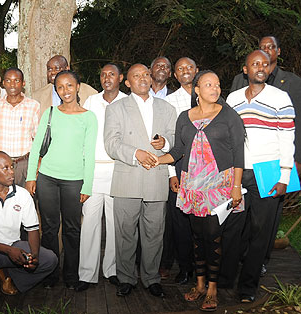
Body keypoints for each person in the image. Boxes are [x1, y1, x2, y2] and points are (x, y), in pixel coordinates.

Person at [150, 70, 245, 311]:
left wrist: (236, 186)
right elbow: (180, 149)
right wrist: (157, 160)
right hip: (192, 185)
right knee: (196, 236)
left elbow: (238, 154)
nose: (215, 89)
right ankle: (200, 284)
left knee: (213, 236)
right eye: (209, 84)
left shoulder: (229, 116)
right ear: (198, 90)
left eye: (218, 84)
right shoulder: (185, 117)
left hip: (219, 185)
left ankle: (213, 288)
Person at [226, 50, 295, 303]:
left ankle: (247, 287)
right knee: (235, 228)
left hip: (269, 171)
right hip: (239, 171)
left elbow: (288, 138)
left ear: (270, 69)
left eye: (265, 64)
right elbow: (227, 135)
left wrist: (285, 176)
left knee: (260, 232)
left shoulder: (280, 98)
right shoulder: (233, 99)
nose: (260, 67)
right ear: (245, 69)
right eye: (255, 63)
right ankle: (227, 277)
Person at [103, 63, 177, 298]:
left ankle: (152, 278)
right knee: (125, 233)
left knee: (155, 233)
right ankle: (125, 278)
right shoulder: (116, 108)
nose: (143, 78)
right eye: (137, 75)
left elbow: (174, 139)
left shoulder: (167, 108)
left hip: (156, 176)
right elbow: (111, 143)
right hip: (128, 177)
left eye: (146, 74)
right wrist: (137, 154)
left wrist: (164, 143)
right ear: (128, 82)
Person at [26, 70, 97, 289]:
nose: (65, 90)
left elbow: (90, 154)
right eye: (60, 87)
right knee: (48, 228)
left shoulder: (89, 117)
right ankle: (50, 274)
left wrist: (87, 184)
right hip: (47, 177)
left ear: (78, 87)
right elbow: (37, 147)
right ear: (56, 90)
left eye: (69, 86)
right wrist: (31, 177)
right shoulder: (49, 113)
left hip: (74, 181)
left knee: (72, 228)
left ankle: (71, 275)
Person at [0, 151, 58, 308]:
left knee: (50, 259)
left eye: (12, 167)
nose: (11, 172)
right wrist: (8, 251)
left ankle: (10, 279)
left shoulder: (22, 194)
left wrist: (34, 257)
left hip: (13, 247)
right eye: (5, 168)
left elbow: (33, 230)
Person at [75, 63, 127, 292]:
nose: (107, 78)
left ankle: (113, 270)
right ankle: (87, 273)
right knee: (90, 223)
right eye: (103, 74)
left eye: (112, 74)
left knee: (116, 224)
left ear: (121, 78)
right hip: (93, 171)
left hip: (119, 170)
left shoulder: (128, 101)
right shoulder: (91, 102)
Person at [159, 57, 198, 284]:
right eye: (180, 68)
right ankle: (185, 269)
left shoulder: (209, 97)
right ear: (175, 74)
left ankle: (202, 269)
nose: (185, 71)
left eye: (189, 67)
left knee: (203, 223)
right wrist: (171, 174)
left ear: (197, 71)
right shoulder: (170, 102)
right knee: (180, 223)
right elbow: (171, 142)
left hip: (205, 170)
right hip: (180, 167)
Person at [0, 67, 40, 187]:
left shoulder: (33, 106)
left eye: (17, 80)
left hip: (24, 163)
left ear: (23, 83)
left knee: (25, 201)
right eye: (8, 80)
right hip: (0, 165)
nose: (12, 84)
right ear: (3, 83)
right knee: (1, 201)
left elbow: (37, 139)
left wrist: (36, 166)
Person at [31, 55, 98, 116]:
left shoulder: (89, 93)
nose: (53, 72)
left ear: (67, 69)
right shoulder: (38, 96)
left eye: (57, 68)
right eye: (49, 69)